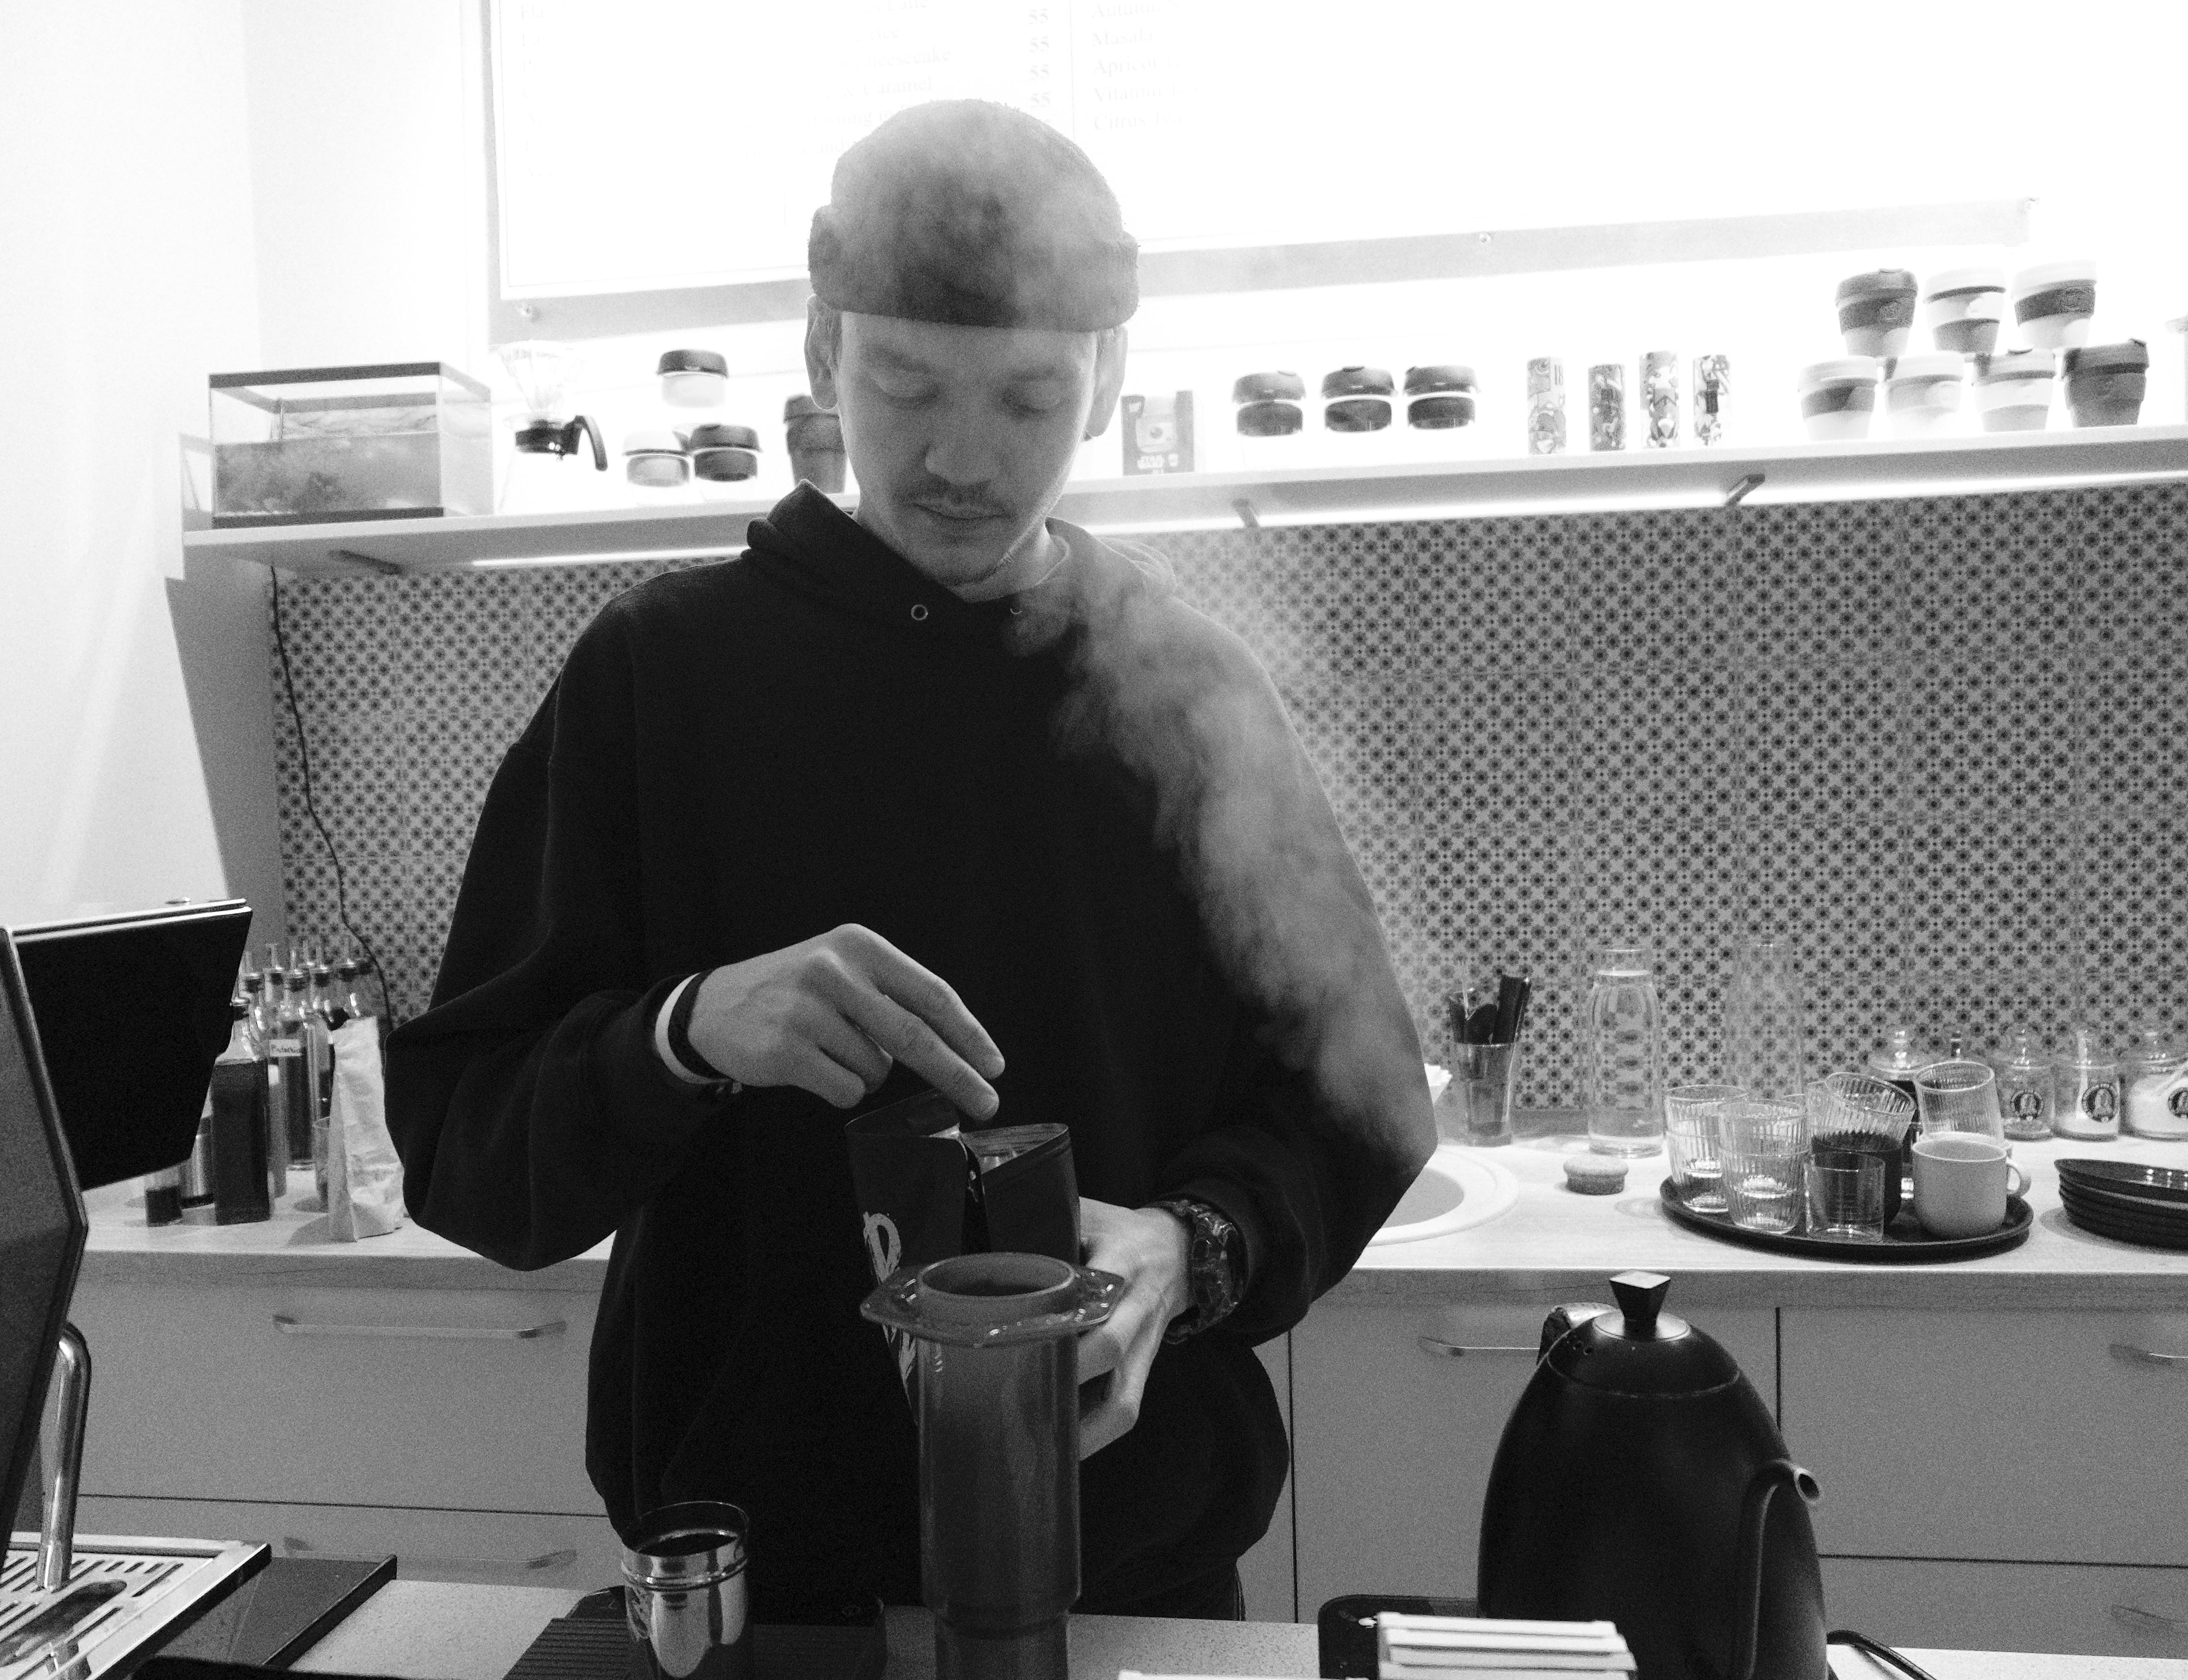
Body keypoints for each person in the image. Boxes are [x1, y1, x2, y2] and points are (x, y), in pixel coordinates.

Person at [386, 99, 1433, 1625]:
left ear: (1109, 379)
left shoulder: (1193, 693)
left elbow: (1358, 1099)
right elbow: (464, 1145)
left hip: (1126, 1569)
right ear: (822, 359)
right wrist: (684, 1033)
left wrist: (1186, 1251)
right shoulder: (659, 679)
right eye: (904, 384)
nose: (960, 457)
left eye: (1025, 399)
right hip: (759, 1586)